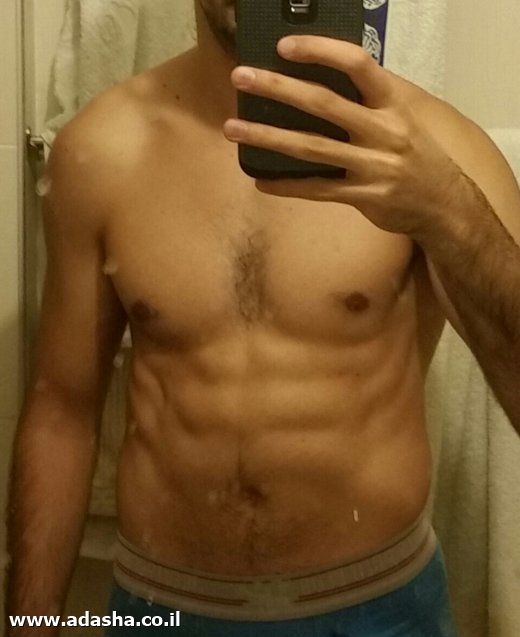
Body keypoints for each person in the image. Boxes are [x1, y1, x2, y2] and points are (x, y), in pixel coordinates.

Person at [6, 1, 520, 635]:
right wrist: (31, 623)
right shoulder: (104, 148)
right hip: (160, 610)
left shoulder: (430, 152)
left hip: (380, 609)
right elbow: (63, 410)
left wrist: (448, 210)